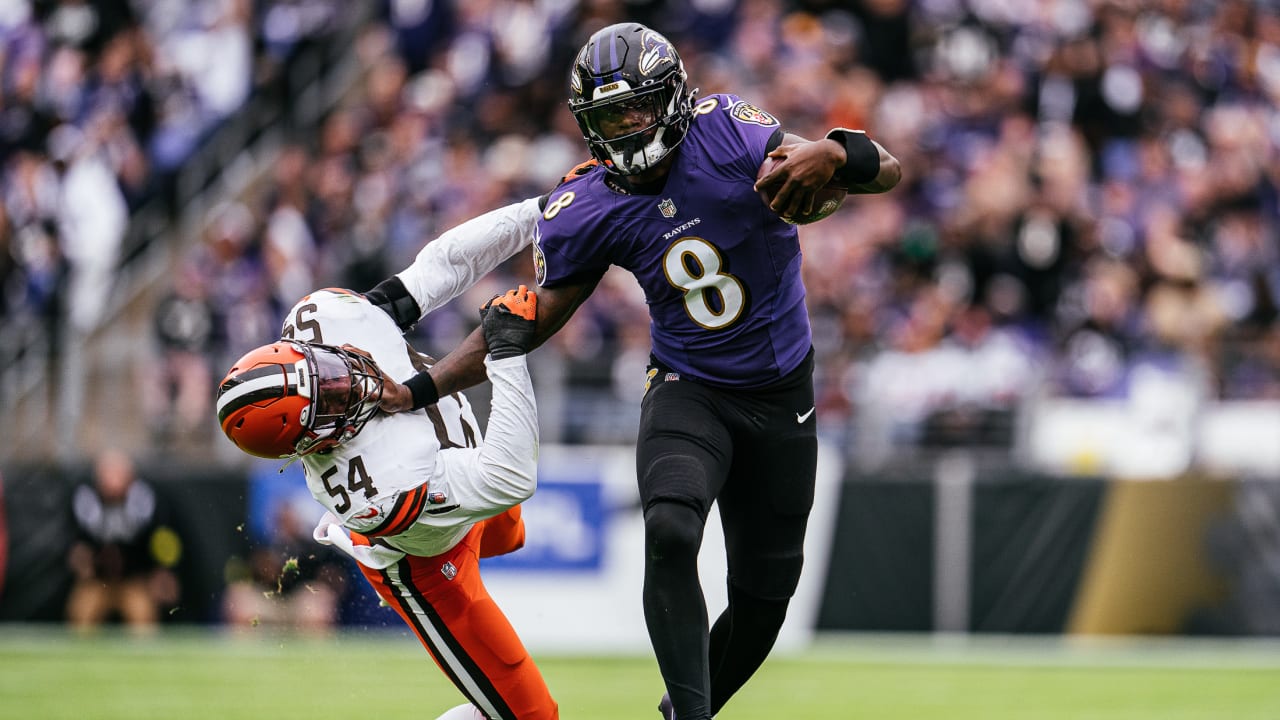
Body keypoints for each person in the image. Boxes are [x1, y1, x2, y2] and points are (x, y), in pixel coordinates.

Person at [370, 22, 902, 720]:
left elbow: (888, 171)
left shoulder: (729, 132)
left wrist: (834, 151)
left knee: (764, 605)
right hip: (691, 391)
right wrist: (420, 386)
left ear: (674, 98)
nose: (623, 129)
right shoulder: (589, 202)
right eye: (606, 117)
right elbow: (536, 315)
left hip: (782, 397)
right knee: (672, 529)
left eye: (634, 110)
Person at [215, 282, 555, 720]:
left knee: (509, 531)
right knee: (532, 715)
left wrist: (530, 218)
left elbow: (432, 271)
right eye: (324, 394)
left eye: (325, 376)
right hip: (424, 558)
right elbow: (510, 476)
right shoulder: (384, 486)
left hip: (456, 508)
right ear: (307, 440)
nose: (344, 385)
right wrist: (507, 354)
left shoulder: (334, 329)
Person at [65, 449, 182, 634]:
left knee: (144, 623)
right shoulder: (84, 499)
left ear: (131, 477)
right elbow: (75, 542)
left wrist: (163, 570)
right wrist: (80, 559)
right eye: (107, 474)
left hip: (134, 580)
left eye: (118, 474)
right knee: (80, 618)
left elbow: (163, 538)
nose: (112, 481)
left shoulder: (147, 500)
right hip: (97, 580)